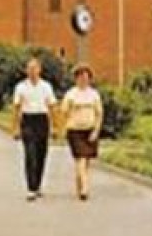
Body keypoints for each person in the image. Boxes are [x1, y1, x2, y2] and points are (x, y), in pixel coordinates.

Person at [11, 58, 57, 200]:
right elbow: (16, 108)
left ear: (39, 70)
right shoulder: (21, 87)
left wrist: (54, 126)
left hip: (42, 119)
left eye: (35, 68)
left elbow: (51, 106)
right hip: (28, 120)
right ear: (26, 71)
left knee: (41, 154)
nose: (32, 71)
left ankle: (38, 185)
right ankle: (31, 188)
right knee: (30, 154)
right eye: (29, 68)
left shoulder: (46, 86)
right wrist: (15, 128)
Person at [60, 64, 103, 201]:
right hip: (75, 130)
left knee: (86, 161)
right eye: (80, 77)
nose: (83, 80)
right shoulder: (71, 94)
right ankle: (85, 188)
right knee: (81, 159)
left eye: (86, 77)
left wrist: (96, 130)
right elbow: (64, 111)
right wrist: (64, 126)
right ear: (76, 79)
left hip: (89, 130)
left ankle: (80, 186)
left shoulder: (94, 94)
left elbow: (99, 114)